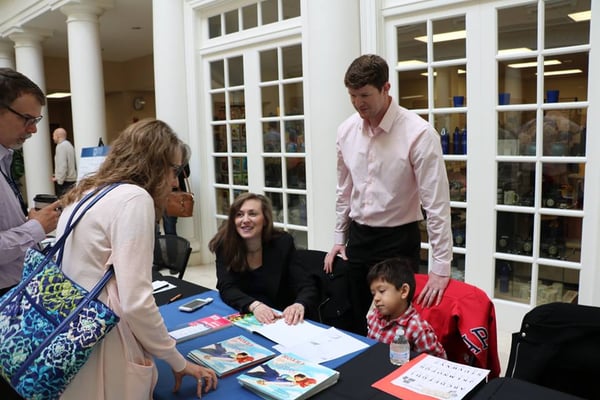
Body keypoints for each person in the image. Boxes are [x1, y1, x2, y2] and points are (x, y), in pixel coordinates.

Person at [56, 119, 217, 399]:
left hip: (72, 332)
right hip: (104, 344)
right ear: (153, 163)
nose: (175, 181)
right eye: (174, 170)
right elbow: (136, 302)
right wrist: (177, 361)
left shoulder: (86, 194)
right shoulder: (134, 199)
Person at [324, 54, 453, 335]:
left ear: (386, 88)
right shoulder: (346, 131)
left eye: (365, 95)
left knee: (395, 326)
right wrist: (338, 237)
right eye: (353, 96)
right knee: (357, 317)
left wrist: (441, 266)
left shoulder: (419, 134)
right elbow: (344, 190)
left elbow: (437, 204)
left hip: (398, 240)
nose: (359, 103)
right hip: (359, 237)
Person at [0, 68, 61, 399]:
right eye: (26, 118)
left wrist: (27, 222)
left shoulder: (5, 157)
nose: (34, 129)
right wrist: (35, 228)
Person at [209, 192, 317, 326]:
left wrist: (299, 304)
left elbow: (306, 285)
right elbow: (226, 286)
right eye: (239, 214)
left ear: (265, 219)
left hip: (281, 318)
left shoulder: (282, 243)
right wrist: (254, 306)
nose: (245, 220)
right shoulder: (224, 244)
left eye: (252, 214)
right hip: (247, 314)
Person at [367, 258, 446, 359]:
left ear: (403, 291)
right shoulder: (374, 317)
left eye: (382, 291)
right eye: (373, 294)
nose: (376, 298)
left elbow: (436, 363)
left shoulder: (418, 329)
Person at [161, 142, 191, 235]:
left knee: (169, 226)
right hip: (172, 195)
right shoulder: (181, 156)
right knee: (170, 225)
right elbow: (187, 174)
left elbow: (187, 173)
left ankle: (172, 248)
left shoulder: (162, 158)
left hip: (168, 194)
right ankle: (172, 248)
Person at [51, 127, 77, 197]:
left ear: (58, 136)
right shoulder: (69, 145)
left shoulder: (60, 147)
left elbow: (63, 165)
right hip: (71, 180)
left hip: (65, 182)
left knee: (63, 203)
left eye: (53, 135)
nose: (53, 138)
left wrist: (59, 180)